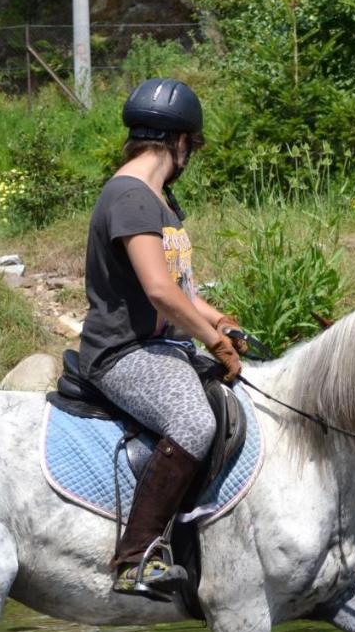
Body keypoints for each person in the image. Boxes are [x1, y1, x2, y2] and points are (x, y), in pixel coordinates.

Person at [78, 77, 246, 598]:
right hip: (122, 353)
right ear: (179, 143)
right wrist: (214, 346)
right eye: (191, 146)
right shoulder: (129, 196)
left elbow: (181, 293)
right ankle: (136, 558)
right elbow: (158, 291)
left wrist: (220, 323)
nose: (189, 155)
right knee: (193, 421)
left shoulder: (159, 201)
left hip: (161, 347)